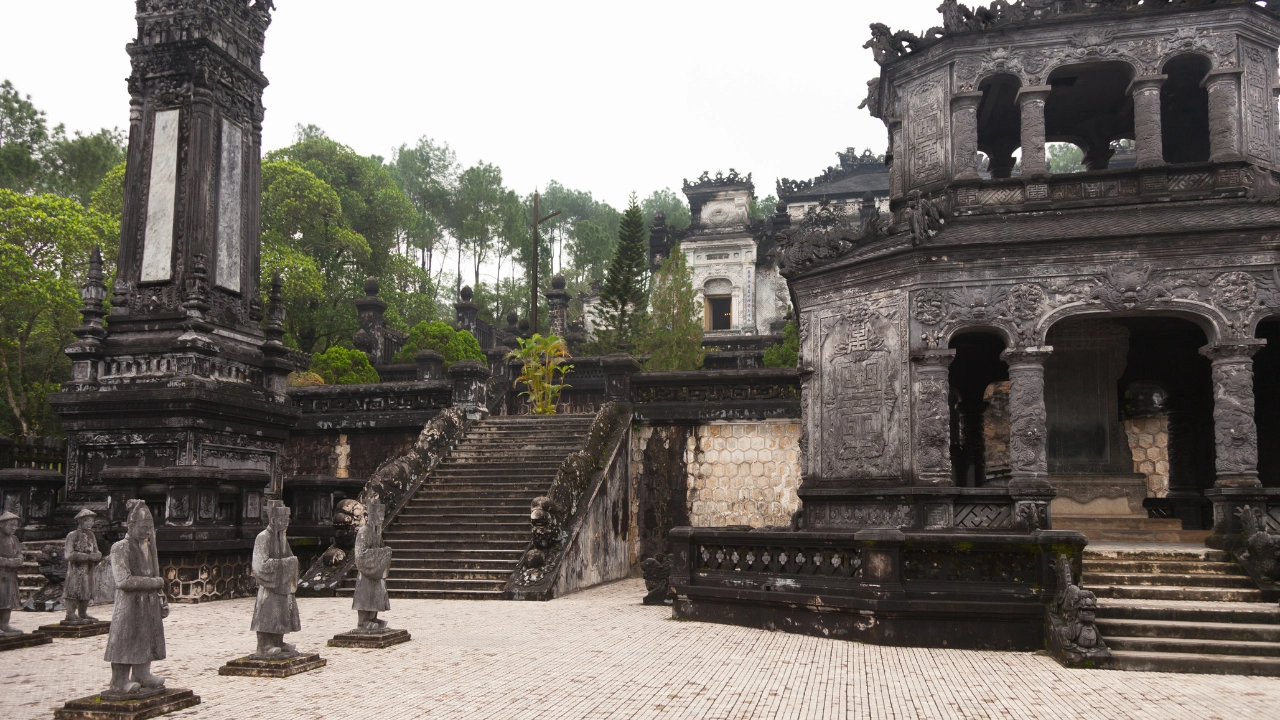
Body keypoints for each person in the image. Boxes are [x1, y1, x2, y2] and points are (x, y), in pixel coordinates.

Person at [103, 501, 168, 696]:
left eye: (149, 527)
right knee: (125, 639)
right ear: (131, 526)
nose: (146, 531)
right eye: (142, 527)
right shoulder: (120, 547)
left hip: (148, 602)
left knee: (147, 636)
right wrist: (155, 583)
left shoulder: (147, 547)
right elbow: (123, 580)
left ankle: (142, 674)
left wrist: (161, 597)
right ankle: (118, 680)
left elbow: (152, 573)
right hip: (129, 604)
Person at [250, 500, 301, 657]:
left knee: (282, 611)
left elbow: (290, 558)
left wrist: (290, 564)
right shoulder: (263, 537)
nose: (286, 523)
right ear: (273, 520)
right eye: (282, 520)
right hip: (269, 587)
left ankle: (278, 641)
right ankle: (264, 645)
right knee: (268, 612)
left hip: (282, 585)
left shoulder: (282, 538)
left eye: (287, 520)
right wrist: (288, 564)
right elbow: (259, 566)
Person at [352, 499, 391, 631]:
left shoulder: (377, 534)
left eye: (382, 516)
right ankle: (363, 621)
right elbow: (360, 555)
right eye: (378, 516)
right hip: (366, 572)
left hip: (376, 571)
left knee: (377, 592)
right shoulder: (364, 531)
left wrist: (383, 554)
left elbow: (381, 548)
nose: (380, 519)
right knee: (365, 593)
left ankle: (373, 617)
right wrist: (381, 554)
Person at [63, 509, 102, 624]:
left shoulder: (91, 535)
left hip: (88, 569)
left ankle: (83, 613)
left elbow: (96, 550)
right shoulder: (72, 535)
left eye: (92, 521)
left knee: (86, 589)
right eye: (88, 521)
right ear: (81, 522)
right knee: (74, 589)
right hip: (76, 569)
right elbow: (68, 554)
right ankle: (70, 613)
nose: (91, 523)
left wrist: (97, 555)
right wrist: (88, 557)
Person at [0, 511, 23, 635]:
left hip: (10, 575)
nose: (13, 528)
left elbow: (20, 556)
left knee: (8, 600)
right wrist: (9, 562)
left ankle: (4, 624)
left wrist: (17, 561)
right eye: (11, 525)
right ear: (2, 525)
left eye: (15, 525)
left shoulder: (14, 539)